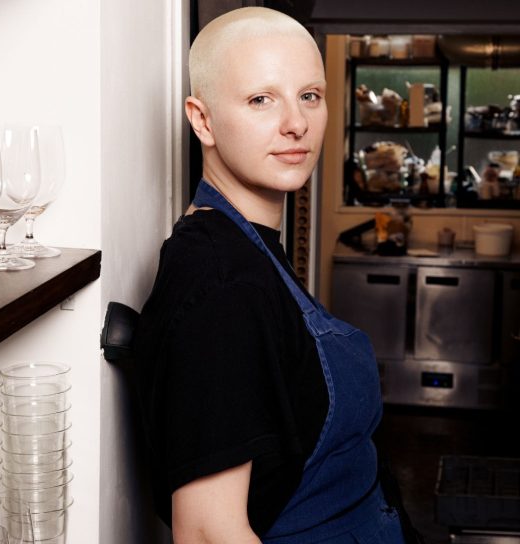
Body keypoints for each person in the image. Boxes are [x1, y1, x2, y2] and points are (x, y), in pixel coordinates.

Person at [134, 7, 407, 544]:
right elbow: (208, 532)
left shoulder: (250, 249)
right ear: (202, 120)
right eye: (261, 99)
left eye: (309, 95)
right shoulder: (222, 286)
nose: (296, 123)